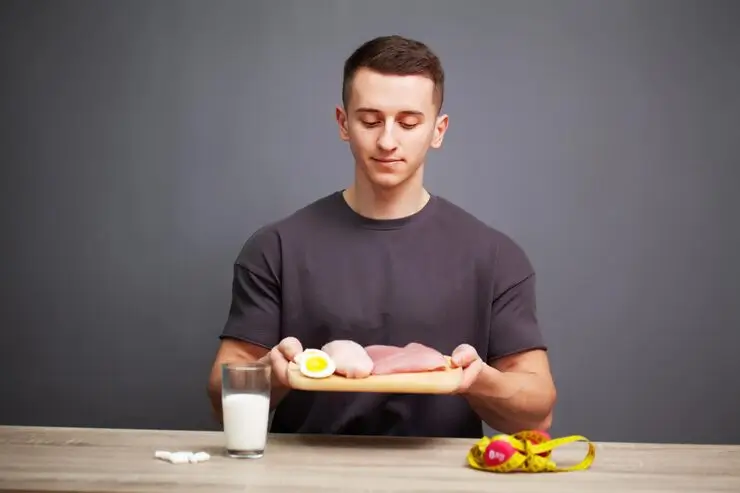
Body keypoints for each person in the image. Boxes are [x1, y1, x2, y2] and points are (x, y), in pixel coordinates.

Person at [207, 34, 557, 438]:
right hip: (303, 476)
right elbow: (221, 399)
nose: (387, 141)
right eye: (370, 121)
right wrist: (274, 372)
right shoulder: (276, 248)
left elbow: (537, 411)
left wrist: (476, 380)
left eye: (408, 123)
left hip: (444, 479)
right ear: (343, 124)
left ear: (438, 130)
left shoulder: (495, 256)